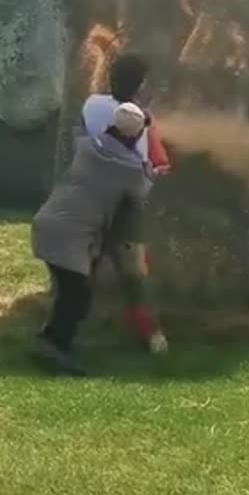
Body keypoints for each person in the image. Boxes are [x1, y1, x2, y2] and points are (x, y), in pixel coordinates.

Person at [32, 102, 154, 376]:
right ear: (135, 136)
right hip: (71, 235)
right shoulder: (132, 168)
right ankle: (55, 348)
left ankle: (50, 338)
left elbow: (86, 135)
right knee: (78, 297)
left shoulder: (86, 146)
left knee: (69, 292)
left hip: (47, 222)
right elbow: (142, 189)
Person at [80, 54, 170, 352]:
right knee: (135, 277)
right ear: (140, 85)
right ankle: (153, 338)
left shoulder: (92, 105)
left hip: (92, 199)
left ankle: (67, 332)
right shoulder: (140, 122)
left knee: (81, 270)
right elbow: (152, 167)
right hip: (124, 206)